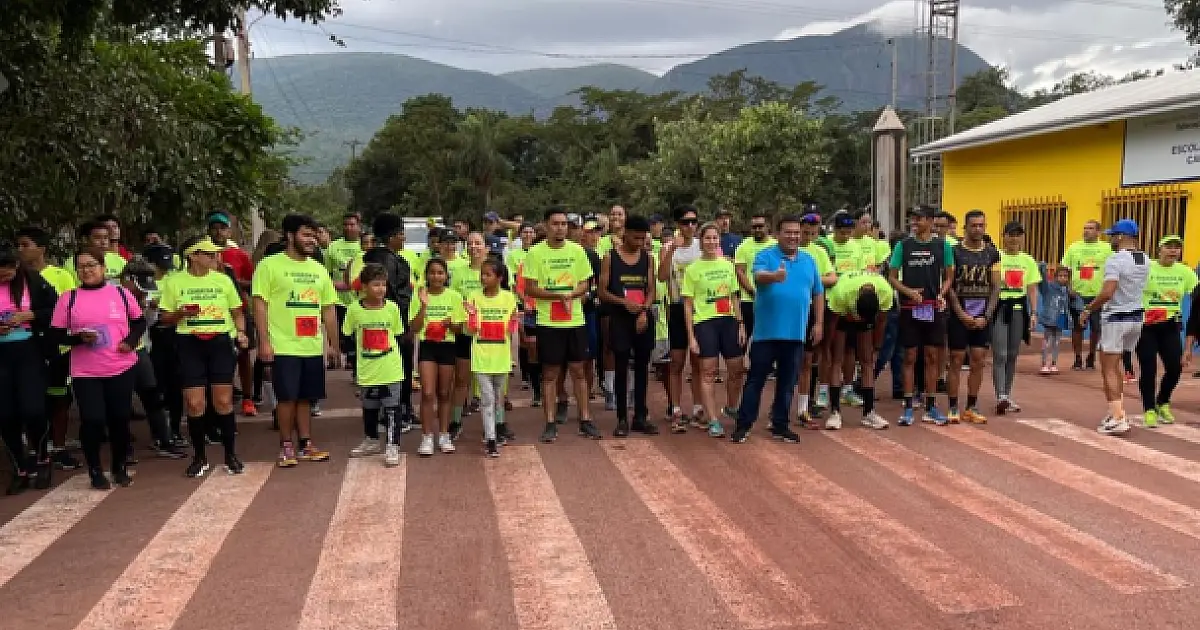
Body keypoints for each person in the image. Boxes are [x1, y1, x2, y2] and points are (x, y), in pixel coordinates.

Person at [51, 247, 145, 489]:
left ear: (103, 268)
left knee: (119, 419)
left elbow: (139, 322)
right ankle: (95, 469)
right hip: (86, 371)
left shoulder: (121, 294)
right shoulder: (68, 299)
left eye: (91, 265)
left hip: (120, 366)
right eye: (81, 266)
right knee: (92, 420)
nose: (87, 270)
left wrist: (130, 342)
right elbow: (56, 335)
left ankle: (119, 466)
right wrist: (78, 338)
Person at [252, 214, 340, 467]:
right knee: (287, 397)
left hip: (311, 344)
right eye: (306, 235)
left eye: (314, 235)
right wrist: (264, 342)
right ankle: (286, 446)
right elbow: (259, 306)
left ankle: (306, 443)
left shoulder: (318, 269)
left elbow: (328, 310)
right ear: (290, 236)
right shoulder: (269, 266)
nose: (312, 240)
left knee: (306, 397)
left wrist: (334, 345)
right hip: (283, 345)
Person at [159, 237, 249, 477]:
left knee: (223, 401)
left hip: (220, 341)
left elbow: (237, 312)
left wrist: (240, 332)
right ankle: (199, 457)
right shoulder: (174, 282)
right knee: (195, 403)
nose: (215, 258)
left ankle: (230, 454)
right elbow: (164, 318)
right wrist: (181, 312)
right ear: (193, 255)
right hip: (189, 343)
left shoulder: (223, 280)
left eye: (215, 254)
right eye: (209, 254)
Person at [733, 214, 825, 443]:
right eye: (788, 232)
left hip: (795, 333)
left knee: (787, 382)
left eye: (797, 232)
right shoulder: (766, 255)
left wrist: (819, 322)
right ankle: (744, 424)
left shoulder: (809, 260)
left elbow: (818, 292)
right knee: (756, 380)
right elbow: (758, 276)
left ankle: (780, 424)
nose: (793, 237)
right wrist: (775, 276)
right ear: (777, 234)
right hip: (766, 333)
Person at [523, 206, 602, 442]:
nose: (560, 228)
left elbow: (585, 284)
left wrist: (571, 295)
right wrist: (557, 296)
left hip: (575, 321)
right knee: (550, 373)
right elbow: (530, 287)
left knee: (579, 370)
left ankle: (585, 419)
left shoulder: (577, 251)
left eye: (563, 224)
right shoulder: (535, 253)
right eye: (555, 224)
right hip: (548, 322)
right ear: (546, 226)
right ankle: (549, 423)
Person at [887, 205, 955, 426]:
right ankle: (908, 406)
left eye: (919, 218)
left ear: (930, 220)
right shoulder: (903, 246)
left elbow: (949, 277)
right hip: (909, 309)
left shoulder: (942, 246)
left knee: (932, 357)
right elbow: (892, 277)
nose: (914, 222)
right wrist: (908, 292)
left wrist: (940, 294)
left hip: (932, 309)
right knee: (909, 357)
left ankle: (931, 406)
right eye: (913, 218)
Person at [0, 246, 59, 494]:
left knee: (33, 409)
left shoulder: (32, 280)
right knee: (6, 414)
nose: (6, 279)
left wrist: (30, 314)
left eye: (9, 273)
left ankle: (43, 458)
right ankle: (20, 469)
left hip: (29, 350)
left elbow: (55, 308)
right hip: (1, 355)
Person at [1084, 219, 1150, 436]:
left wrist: (1088, 309)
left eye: (1113, 235)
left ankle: (1118, 417)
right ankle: (1116, 410)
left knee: (1109, 369)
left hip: (1116, 318)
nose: (1110, 239)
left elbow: (1107, 292)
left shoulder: (1115, 260)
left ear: (1121, 237)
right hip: (1136, 318)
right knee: (1117, 366)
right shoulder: (1145, 260)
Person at [682, 223, 746, 438]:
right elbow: (688, 306)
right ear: (701, 241)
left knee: (736, 370)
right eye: (707, 238)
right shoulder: (692, 269)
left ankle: (731, 407)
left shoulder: (728, 265)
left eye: (715, 238)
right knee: (708, 372)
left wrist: (740, 323)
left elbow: (735, 297)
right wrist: (691, 336)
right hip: (705, 323)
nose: (711, 242)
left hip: (728, 321)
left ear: (720, 240)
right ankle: (713, 420)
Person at [598, 215, 660, 437]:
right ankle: (622, 418)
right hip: (620, 319)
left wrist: (644, 309)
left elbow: (652, 289)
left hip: (642, 317)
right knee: (621, 366)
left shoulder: (649, 258)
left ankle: (641, 416)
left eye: (643, 238)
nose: (640, 242)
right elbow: (602, 291)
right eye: (636, 237)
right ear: (625, 233)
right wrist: (623, 302)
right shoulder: (610, 258)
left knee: (643, 367)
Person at [344, 263, 406, 466]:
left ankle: (392, 445)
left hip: (390, 367)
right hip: (367, 368)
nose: (380, 289)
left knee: (392, 408)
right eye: (375, 284)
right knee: (369, 407)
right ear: (363, 287)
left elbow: (397, 335)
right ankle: (371, 440)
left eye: (383, 285)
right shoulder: (354, 310)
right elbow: (348, 335)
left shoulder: (392, 308)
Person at [361, 214, 416, 433]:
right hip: (394, 321)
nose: (404, 238)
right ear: (392, 236)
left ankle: (401, 409)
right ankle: (394, 413)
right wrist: (403, 321)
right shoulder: (386, 259)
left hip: (389, 319)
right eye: (401, 233)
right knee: (399, 366)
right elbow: (391, 292)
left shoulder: (381, 257)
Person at [944, 210, 999, 425]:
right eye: (974, 225)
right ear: (965, 227)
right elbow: (949, 286)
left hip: (982, 315)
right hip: (959, 314)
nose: (978, 229)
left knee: (978, 361)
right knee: (956, 360)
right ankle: (952, 406)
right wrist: (960, 313)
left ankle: (971, 406)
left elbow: (996, 287)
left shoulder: (992, 254)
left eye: (981, 225)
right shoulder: (954, 252)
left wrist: (986, 315)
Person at [1137, 235, 1195, 427]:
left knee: (1175, 367)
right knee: (1149, 368)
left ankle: (1163, 401)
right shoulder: (1147, 268)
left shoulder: (1185, 272)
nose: (1173, 251)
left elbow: (1197, 295)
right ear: (1159, 249)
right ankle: (1149, 409)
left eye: (1177, 248)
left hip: (1170, 326)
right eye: (1168, 247)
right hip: (1146, 326)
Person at [410, 258, 466, 456]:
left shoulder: (455, 297)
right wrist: (424, 306)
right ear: (426, 275)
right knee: (427, 393)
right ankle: (427, 437)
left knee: (444, 393)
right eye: (432, 272)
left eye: (440, 273)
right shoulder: (419, 295)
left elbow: (460, 329)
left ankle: (443, 434)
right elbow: (415, 328)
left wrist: (450, 323)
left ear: (446, 276)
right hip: (427, 347)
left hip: (447, 347)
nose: (436, 276)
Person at [824, 270, 892, 430]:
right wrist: (827, 346)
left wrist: (877, 347)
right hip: (842, 315)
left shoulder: (885, 291)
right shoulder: (842, 292)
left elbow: (881, 321)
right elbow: (832, 323)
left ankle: (869, 412)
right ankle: (834, 412)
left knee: (867, 361)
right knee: (836, 360)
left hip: (867, 316)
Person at [466, 259, 519, 457]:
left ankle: (496, 430)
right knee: (487, 398)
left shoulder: (508, 298)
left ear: (499, 277)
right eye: (482, 274)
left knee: (497, 398)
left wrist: (514, 322)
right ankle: (490, 439)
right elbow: (470, 329)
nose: (483, 278)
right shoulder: (473, 297)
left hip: (501, 356)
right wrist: (471, 318)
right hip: (481, 356)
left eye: (488, 274)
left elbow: (511, 328)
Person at [658, 204, 705, 432]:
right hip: (677, 308)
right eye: (686, 222)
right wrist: (670, 252)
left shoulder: (701, 246)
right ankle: (675, 408)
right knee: (676, 362)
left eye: (694, 222)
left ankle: (698, 408)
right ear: (678, 225)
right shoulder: (668, 246)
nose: (690, 226)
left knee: (698, 361)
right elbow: (662, 276)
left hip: (700, 310)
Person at [794, 213, 837, 430]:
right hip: (790, 310)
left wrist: (810, 279)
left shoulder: (819, 251)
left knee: (809, 358)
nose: (808, 236)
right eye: (805, 232)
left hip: (813, 309)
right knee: (787, 358)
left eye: (813, 232)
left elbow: (832, 277)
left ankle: (805, 406)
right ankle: (780, 406)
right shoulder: (787, 248)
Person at [993, 221, 1041, 415]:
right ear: (1003, 236)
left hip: (1019, 309)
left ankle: (1007, 394)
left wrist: (1034, 313)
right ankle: (1000, 395)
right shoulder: (996, 257)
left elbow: (1032, 289)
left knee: (1012, 354)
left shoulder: (1028, 260)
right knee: (1000, 354)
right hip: (999, 308)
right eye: (1010, 235)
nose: (1014, 239)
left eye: (1018, 235)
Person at [448, 232, 487, 440]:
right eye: (470, 243)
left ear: (485, 247)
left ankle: (497, 424)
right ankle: (455, 421)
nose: (474, 247)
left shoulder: (495, 269)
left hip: (489, 334)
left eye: (478, 243)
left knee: (489, 381)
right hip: (465, 332)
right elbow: (454, 301)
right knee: (461, 379)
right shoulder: (459, 273)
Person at [1063, 220, 1114, 370]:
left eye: (1090, 228)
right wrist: (1069, 287)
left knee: (1096, 328)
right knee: (1078, 328)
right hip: (1078, 294)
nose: (1086, 231)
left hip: (1098, 295)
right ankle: (1077, 357)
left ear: (1098, 232)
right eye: (1085, 228)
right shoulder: (1074, 247)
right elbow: (1065, 268)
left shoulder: (1107, 248)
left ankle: (1091, 356)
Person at [325, 212, 364, 374]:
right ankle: (336, 356)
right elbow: (325, 275)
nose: (348, 227)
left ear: (359, 226)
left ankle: (355, 362)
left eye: (352, 224)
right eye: (346, 224)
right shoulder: (333, 247)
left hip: (359, 299)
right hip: (339, 299)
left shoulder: (365, 244)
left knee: (358, 333)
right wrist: (336, 285)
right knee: (341, 332)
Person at [1037, 263, 1074, 375]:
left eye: (1065, 276)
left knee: (1057, 342)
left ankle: (1053, 364)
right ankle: (1044, 364)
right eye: (1060, 276)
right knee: (1047, 341)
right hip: (1049, 317)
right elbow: (1042, 283)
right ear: (1055, 276)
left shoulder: (1067, 290)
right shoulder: (1049, 287)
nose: (1063, 278)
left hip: (1061, 317)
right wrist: (1042, 269)